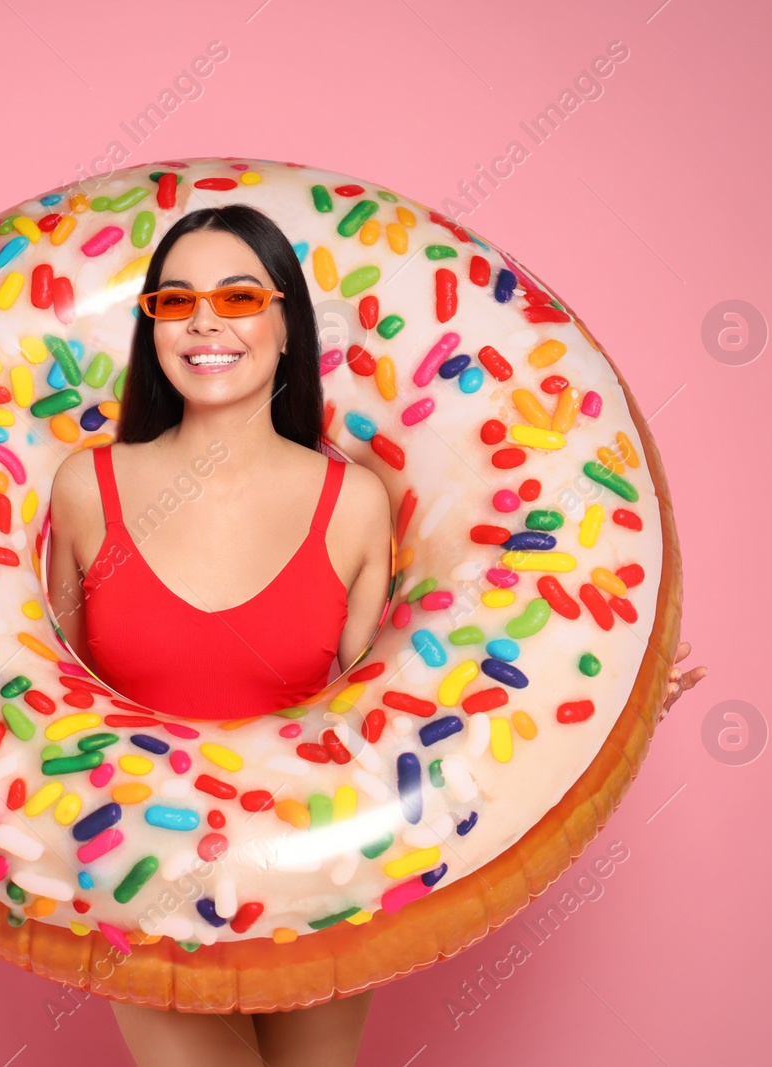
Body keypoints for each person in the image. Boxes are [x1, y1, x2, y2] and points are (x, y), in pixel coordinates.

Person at [43, 204, 706, 1065]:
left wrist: (604, 704)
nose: (205, 320)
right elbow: (44, 683)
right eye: (176, 302)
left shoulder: (354, 502)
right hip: (147, 884)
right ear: (154, 329)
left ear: (286, 328)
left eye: (239, 296)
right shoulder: (89, 487)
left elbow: (380, 706)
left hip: (317, 871)